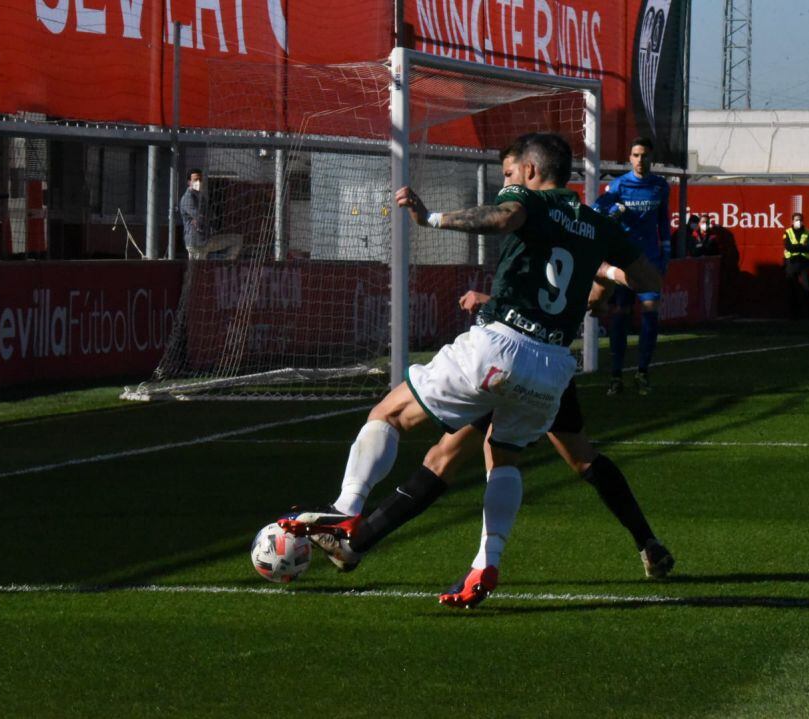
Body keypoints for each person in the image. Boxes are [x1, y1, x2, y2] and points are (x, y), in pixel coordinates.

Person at [279, 132, 660, 608]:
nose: (507, 181)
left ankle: (345, 510)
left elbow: (503, 217)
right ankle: (486, 561)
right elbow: (648, 280)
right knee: (502, 459)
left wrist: (430, 217)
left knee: (390, 414)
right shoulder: (598, 224)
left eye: (509, 173)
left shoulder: (528, 200)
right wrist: (604, 277)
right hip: (552, 367)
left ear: (531, 171)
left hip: (500, 347)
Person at [307, 278, 674, 592]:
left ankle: (353, 534)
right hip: (551, 368)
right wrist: (604, 285)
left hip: (507, 357)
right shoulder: (581, 231)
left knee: (442, 456)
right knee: (582, 457)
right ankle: (648, 543)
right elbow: (591, 291)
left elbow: (532, 296)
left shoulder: (531, 217)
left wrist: (489, 300)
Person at [592, 137, 671, 397]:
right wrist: (612, 209)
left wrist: (666, 252)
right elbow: (596, 211)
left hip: (649, 261)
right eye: (636, 155)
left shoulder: (660, 187)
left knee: (650, 314)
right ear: (630, 158)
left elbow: (663, 220)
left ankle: (642, 373)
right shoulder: (618, 185)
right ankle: (616, 376)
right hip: (624, 262)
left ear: (652, 159)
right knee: (621, 315)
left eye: (645, 155)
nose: (640, 160)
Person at [783, 212, 809, 319]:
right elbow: (788, 247)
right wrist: (802, 246)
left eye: (800, 220)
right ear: (792, 221)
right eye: (796, 220)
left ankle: (808, 315)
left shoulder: (808, 232)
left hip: (804, 263)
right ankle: (792, 315)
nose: (798, 222)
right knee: (791, 289)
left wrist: (797, 247)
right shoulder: (787, 232)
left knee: (807, 289)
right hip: (791, 263)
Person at [179, 168, 206, 260]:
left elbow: (209, 215)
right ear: (189, 182)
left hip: (202, 238)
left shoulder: (200, 197)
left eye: (200, 180)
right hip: (194, 241)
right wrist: (200, 218)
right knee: (197, 268)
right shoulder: (188, 198)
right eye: (195, 180)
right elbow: (199, 216)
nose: (198, 182)